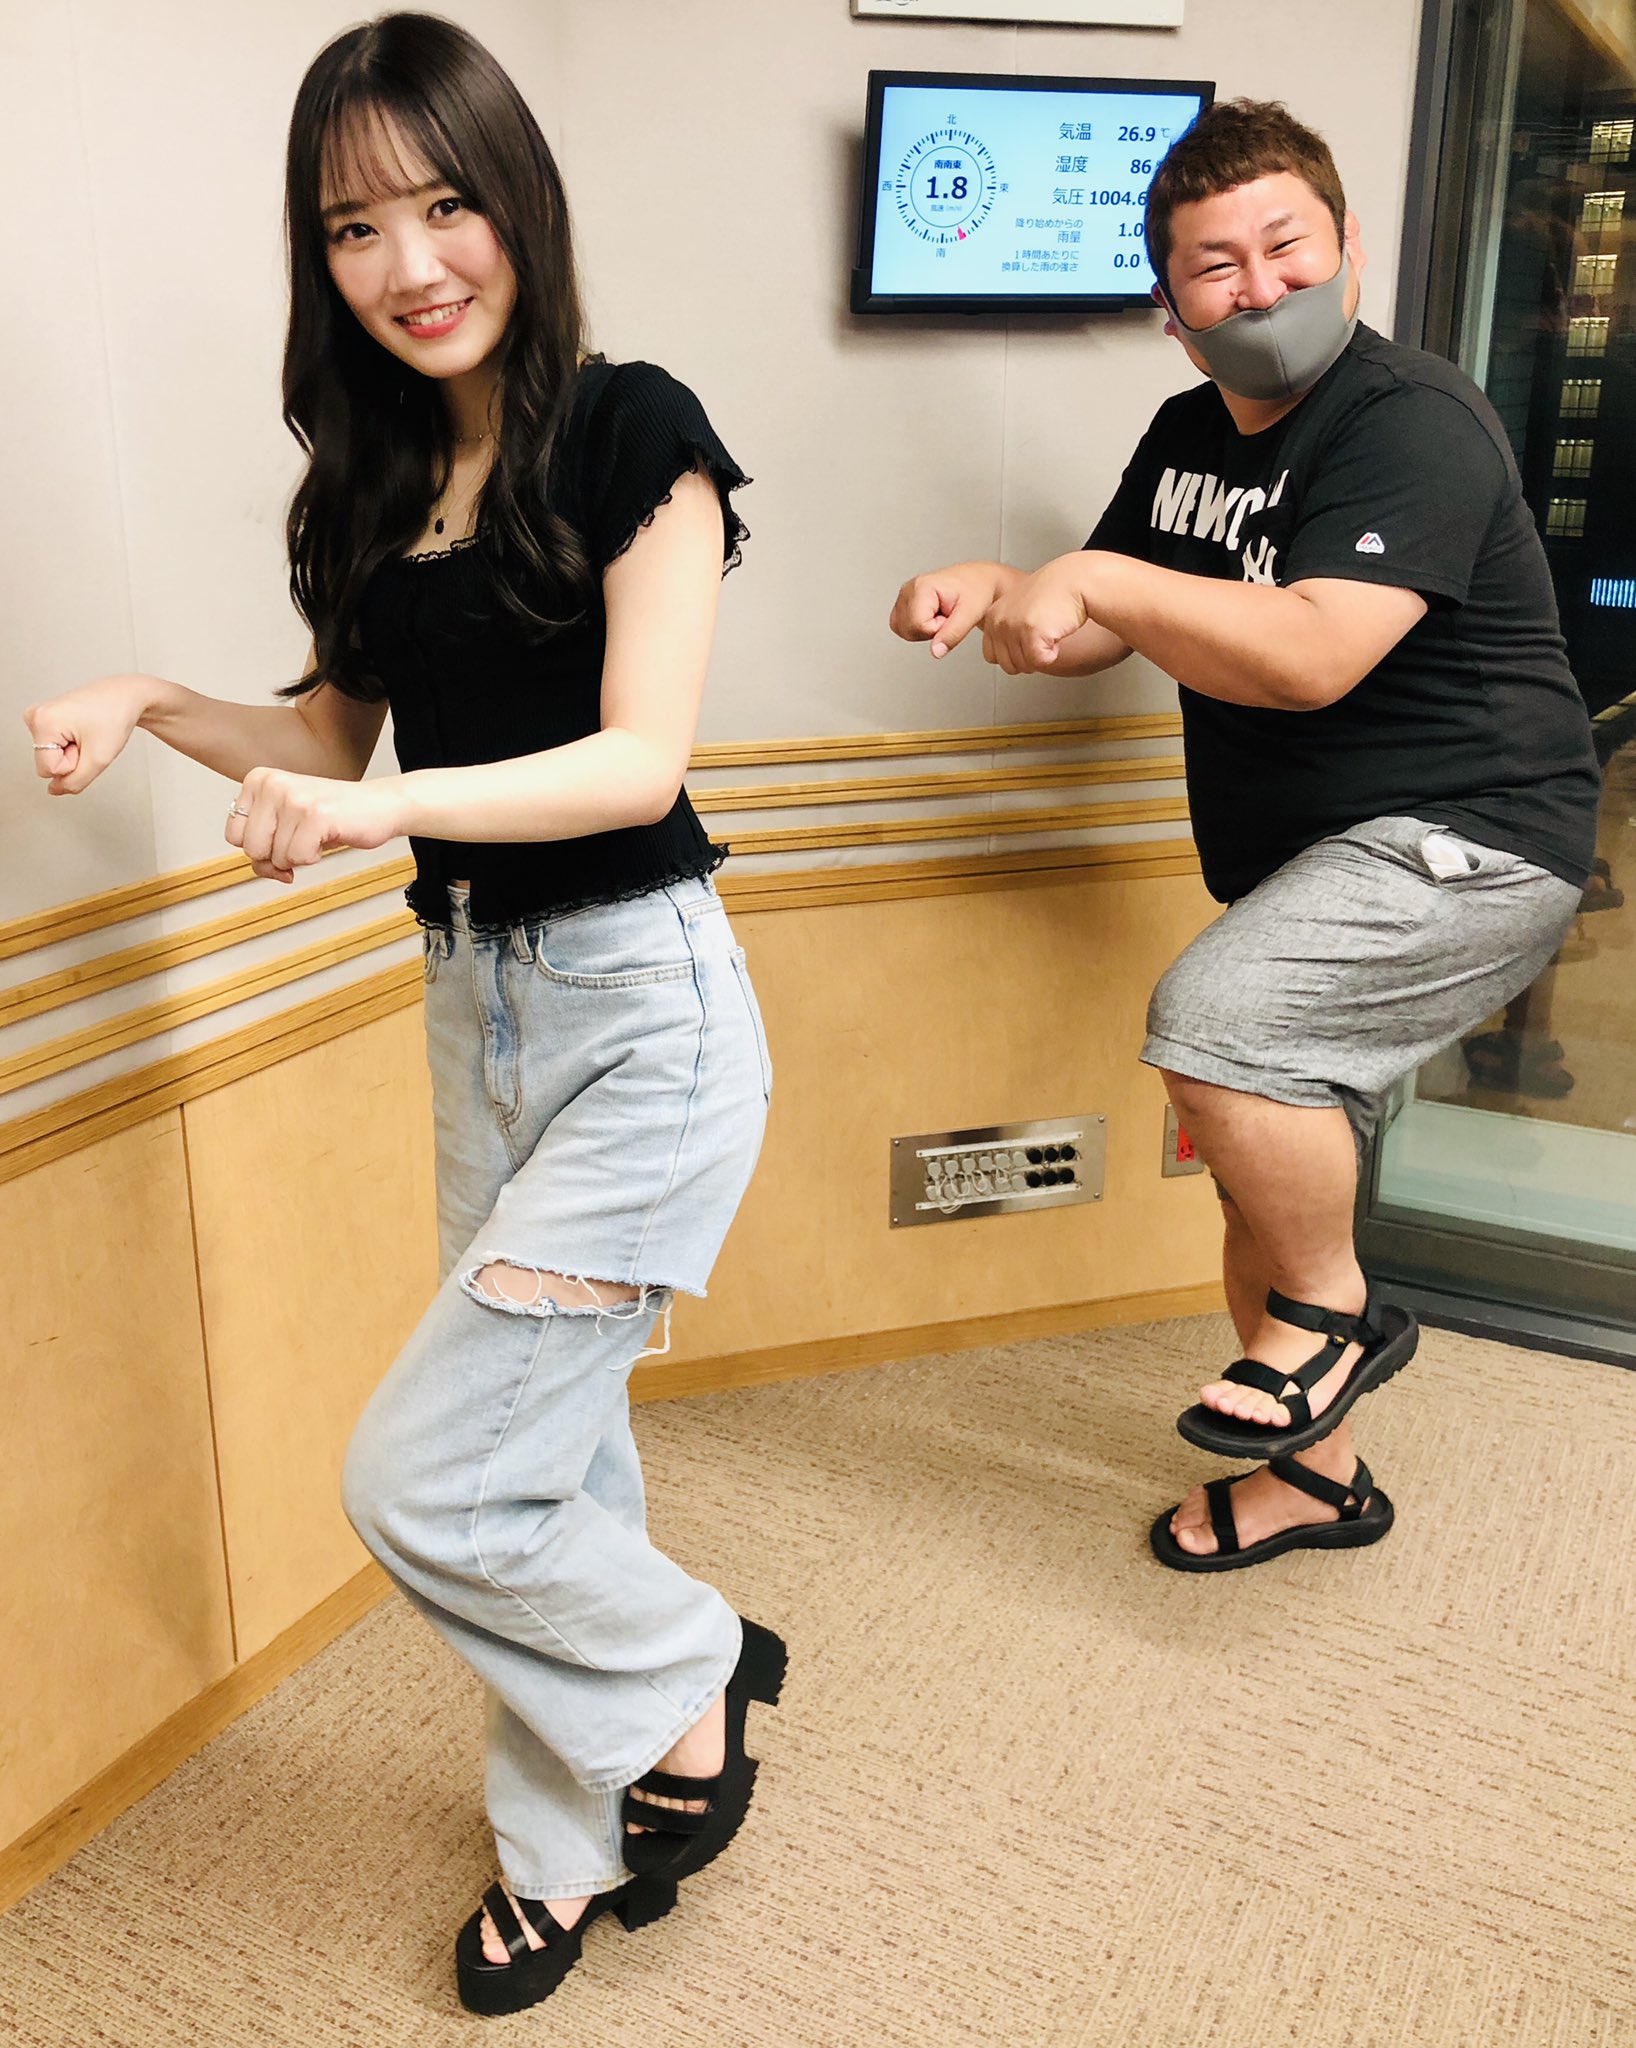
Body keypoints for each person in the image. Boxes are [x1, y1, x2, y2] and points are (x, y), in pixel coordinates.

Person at [25, 13, 784, 2016]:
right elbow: (324, 739)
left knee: (427, 1482)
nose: (410, 261)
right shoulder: (366, 485)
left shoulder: (632, 430)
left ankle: (687, 1670)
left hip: (645, 1014)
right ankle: (563, 1847)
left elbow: (635, 761)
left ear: (518, 201)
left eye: (446, 204)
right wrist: (148, 699)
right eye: (355, 226)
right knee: (548, 1461)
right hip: (477, 1013)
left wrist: (384, 811)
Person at [890, 99, 1600, 1573]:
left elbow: (1310, 654)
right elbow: (1113, 617)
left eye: (1288, 249)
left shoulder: (1413, 421)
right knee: (1250, 1149)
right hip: (1317, 862)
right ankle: (1315, 1479)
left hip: (1474, 839)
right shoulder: (1187, 433)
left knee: (1216, 1026)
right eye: (1217, 268)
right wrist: (1004, 594)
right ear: (1173, 309)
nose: (1260, 290)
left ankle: (1335, 1314)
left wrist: (1091, 578)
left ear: (1351, 249)